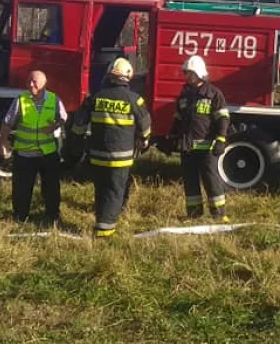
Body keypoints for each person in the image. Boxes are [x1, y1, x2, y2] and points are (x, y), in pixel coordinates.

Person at [70, 58, 151, 238]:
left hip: (97, 155)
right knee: (115, 191)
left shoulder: (95, 97)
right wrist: (144, 140)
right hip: (121, 157)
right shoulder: (134, 100)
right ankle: (105, 231)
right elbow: (145, 125)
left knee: (101, 189)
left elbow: (79, 123)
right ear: (128, 77)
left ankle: (101, 219)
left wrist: (77, 142)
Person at [165, 55, 231, 222]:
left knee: (211, 180)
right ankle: (193, 214)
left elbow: (223, 118)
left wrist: (221, 139)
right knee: (190, 182)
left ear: (199, 73)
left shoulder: (213, 94)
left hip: (207, 148)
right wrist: (172, 136)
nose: (187, 76)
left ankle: (219, 214)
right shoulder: (185, 95)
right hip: (187, 147)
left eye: (190, 73)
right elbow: (178, 118)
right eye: (186, 73)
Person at [0, 70, 67, 225]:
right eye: (29, 81)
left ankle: (52, 217)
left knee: (51, 189)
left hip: (47, 154)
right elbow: (8, 122)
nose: (30, 85)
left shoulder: (54, 100)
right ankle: (20, 217)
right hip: (25, 154)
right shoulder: (21, 100)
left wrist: (54, 126)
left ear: (44, 84)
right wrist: (3, 141)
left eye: (34, 82)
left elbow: (63, 118)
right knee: (22, 189)